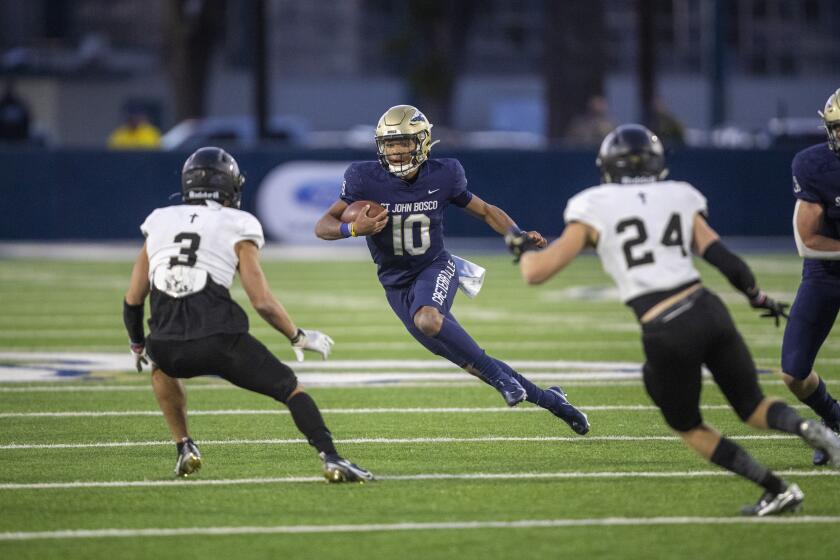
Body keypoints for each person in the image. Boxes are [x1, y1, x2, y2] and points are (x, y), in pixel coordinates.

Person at [505, 124, 840, 516]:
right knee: (752, 405)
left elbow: (537, 272)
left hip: (665, 325)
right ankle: (805, 428)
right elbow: (726, 261)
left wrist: (522, 249)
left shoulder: (592, 205)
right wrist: (757, 296)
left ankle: (777, 488)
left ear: (607, 165)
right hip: (708, 308)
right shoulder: (679, 195)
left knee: (688, 424)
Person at [314, 105, 590, 435]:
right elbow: (323, 226)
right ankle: (552, 400)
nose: (397, 151)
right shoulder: (364, 178)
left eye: (404, 143)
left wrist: (516, 236)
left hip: (434, 266)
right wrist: (353, 230)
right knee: (470, 361)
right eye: (390, 144)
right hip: (395, 284)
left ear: (423, 143)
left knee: (428, 319)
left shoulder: (443, 174)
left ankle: (503, 381)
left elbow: (486, 211)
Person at [123, 146, 373, 483]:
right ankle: (332, 457)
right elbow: (262, 300)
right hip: (219, 339)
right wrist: (297, 336)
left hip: (165, 343)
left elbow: (134, 297)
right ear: (229, 186)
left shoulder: (159, 220)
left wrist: (139, 344)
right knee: (291, 389)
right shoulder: (239, 223)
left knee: (161, 368)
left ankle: (184, 445)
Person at [782, 87, 840, 465]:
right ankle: (835, 420)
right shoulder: (815, 164)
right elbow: (807, 241)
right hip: (827, 269)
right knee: (794, 372)